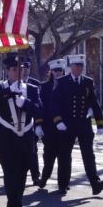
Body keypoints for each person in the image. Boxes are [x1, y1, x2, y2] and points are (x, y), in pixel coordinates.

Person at [0, 54, 43, 207]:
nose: (18, 72)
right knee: (10, 174)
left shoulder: (32, 89)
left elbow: (40, 111)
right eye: (14, 69)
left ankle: (18, 205)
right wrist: (7, 92)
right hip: (6, 138)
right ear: (7, 71)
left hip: (25, 138)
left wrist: (25, 103)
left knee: (21, 175)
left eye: (20, 69)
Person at [51, 54, 103, 195]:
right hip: (67, 124)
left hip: (84, 124)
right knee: (65, 155)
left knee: (89, 155)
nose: (79, 68)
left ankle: (95, 184)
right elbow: (54, 104)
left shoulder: (88, 82)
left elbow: (94, 102)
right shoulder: (62, 81)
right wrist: (58, 121)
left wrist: (100, 123)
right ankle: (63, 184)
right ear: (71, 67)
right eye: (76, 66)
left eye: (81, 66)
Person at [36, 57, 66, 190]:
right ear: (51, 72)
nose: (58, 72)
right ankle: (44, 177)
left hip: (65, 127)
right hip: (49, 127)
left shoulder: (68, 85)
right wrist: (39, 124)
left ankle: (63, 184)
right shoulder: (45, 86)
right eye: (55, 70)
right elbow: (40, 107)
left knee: (64, 156)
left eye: (60, 70)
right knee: (49, 155)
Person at [19, 56, 41, 186]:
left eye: (27, 68)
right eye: (22, 68)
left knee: (32, 152)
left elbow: (39, 107)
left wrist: (38, 124)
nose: (25, 71)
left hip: (30, 124)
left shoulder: (35, 84)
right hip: (14, 125)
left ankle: (35, 176)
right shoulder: (10, 83)